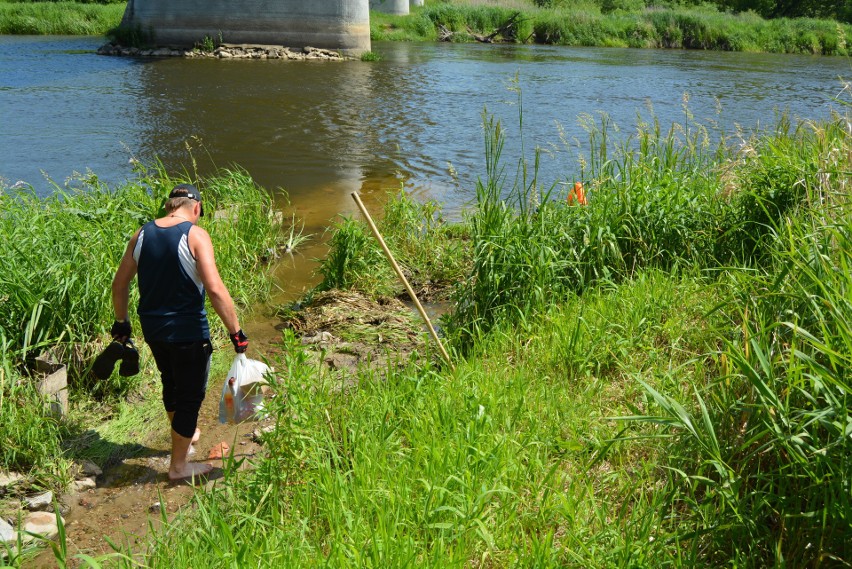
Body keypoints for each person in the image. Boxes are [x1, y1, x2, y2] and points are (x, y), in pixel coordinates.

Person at [110, 183, 249, 481]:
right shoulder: (196, 235)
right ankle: (178, 467)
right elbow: (214, 288)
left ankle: (185, 435)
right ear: (196, 208)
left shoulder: (142, 234)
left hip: (153, 329)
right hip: (187, 332)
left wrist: (121, 322)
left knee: (170, 381)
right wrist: (236, 332)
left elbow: (119, 284)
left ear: (168, 205)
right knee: (189, 397)